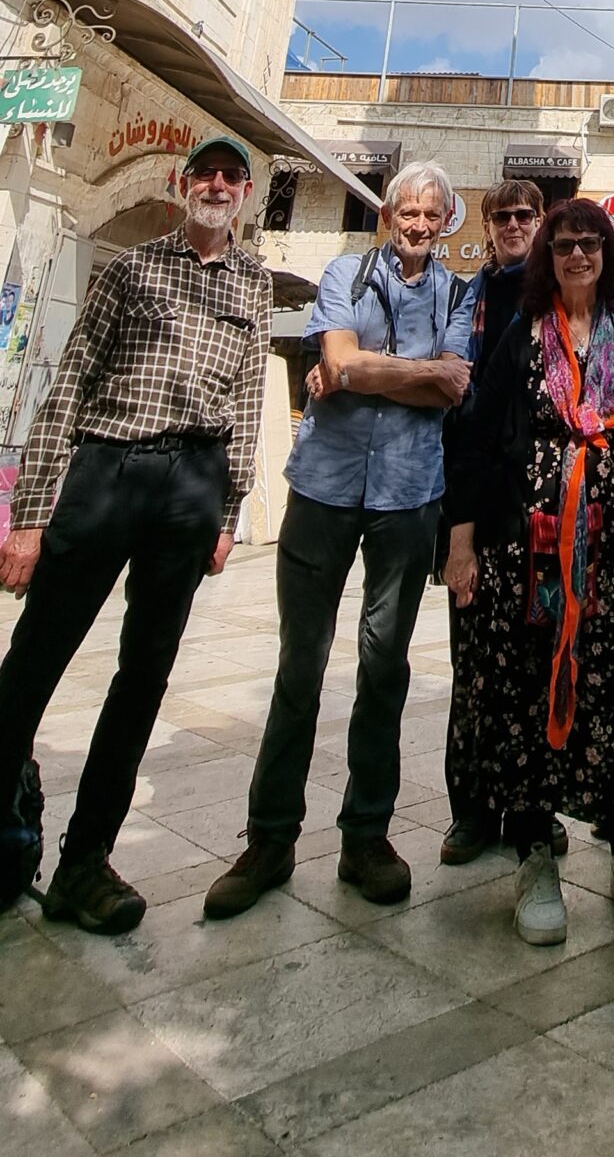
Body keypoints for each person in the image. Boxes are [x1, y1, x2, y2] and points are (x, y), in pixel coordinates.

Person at [0, 136, 269, 935]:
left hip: (190, 485)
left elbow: (249, 403)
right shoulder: (132, 269)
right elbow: (71, 381)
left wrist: (227, 513)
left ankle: (86, 863)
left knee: (143, 676)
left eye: (231, 177)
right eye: (206, 175)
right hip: (106, 471)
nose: (217, 186)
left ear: (247, 194)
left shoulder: (253, 284)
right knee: (35, 660)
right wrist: (30, 517)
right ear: (180, 184)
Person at [204, 162, 471, 919]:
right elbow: (337, 360)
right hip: (324, 486)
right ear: (388, 213)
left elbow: (452, 385)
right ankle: (269, 838)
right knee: (300, 663)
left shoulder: (458, 292)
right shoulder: (344, 272)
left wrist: (359, 372)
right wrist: (381, 371)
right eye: (407, 212)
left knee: (384, 667)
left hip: (409, 495)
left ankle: (366, 837)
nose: (418, 225)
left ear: (446, 220)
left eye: (431, 214)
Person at [444, 198, 614, 942]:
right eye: (565, 244)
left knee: (613, 688)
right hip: (526, 551)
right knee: (528, 686)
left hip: (607, 554)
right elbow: (478, 442)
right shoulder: (522, 337)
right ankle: (535, 854)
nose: (578, 254)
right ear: (548, 257)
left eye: (591, 243)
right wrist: (459, 544)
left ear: (610, 257)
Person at [438, 177, 548, 864]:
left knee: (539, 662)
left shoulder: (563, 304)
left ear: (541, 221)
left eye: (524, 214)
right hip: (478, 500)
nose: (513, 224)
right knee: (472, 663)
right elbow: (462, 416)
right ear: (487, 224)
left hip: (541, 508)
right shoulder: (468, 299)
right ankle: (472, 811)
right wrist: (459, 535)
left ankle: (532, 808)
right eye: (502, 215)